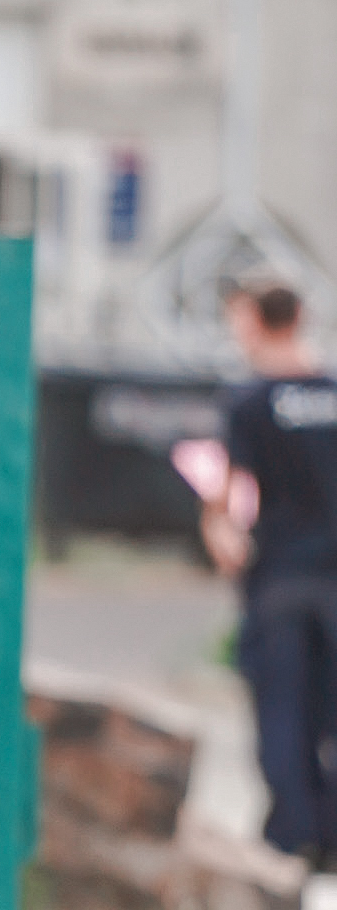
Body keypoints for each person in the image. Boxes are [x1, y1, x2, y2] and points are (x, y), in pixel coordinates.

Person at [198, 280, 337, 866]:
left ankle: (293, 835)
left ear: (255, 322)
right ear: (300, 316)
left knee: (281, 706)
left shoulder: (250, 401)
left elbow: (226, 500)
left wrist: (221, 532)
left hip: (280, 574)